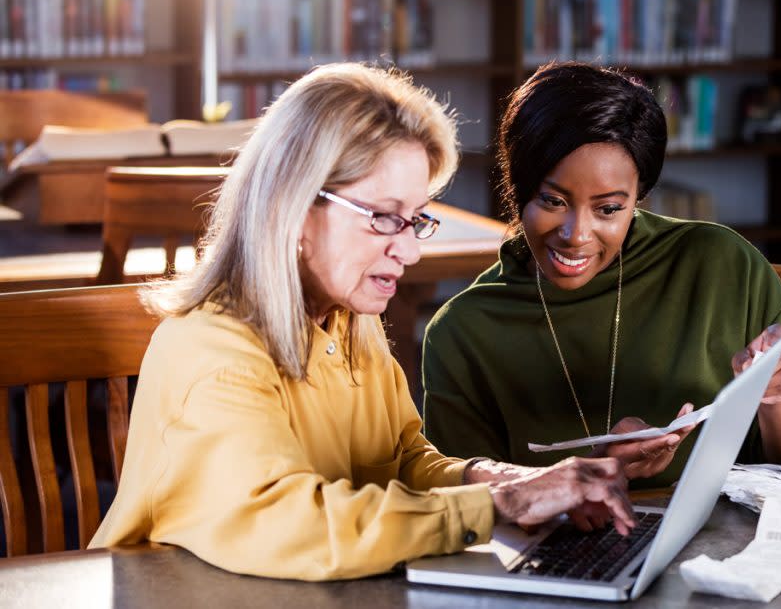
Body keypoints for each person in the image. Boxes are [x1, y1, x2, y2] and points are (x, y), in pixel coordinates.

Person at [89, 63, 636, 580]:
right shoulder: (214, 353)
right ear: (295, 209)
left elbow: (397, 461)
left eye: (415, 219)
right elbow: (292, 526)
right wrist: (499, 505)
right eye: (382, 218)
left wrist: (495, 478)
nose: (410, 251)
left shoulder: (348, 320)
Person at [422, 62, 781, 490]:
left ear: (639, 198)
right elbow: (467, 511)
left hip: (730, 549)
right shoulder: (464, 332)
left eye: (609, 209)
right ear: (518, 189)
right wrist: (586, 477)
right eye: (553, 201)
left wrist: (774, 397)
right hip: (564, 554)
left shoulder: (720, 264)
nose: (577, 235)